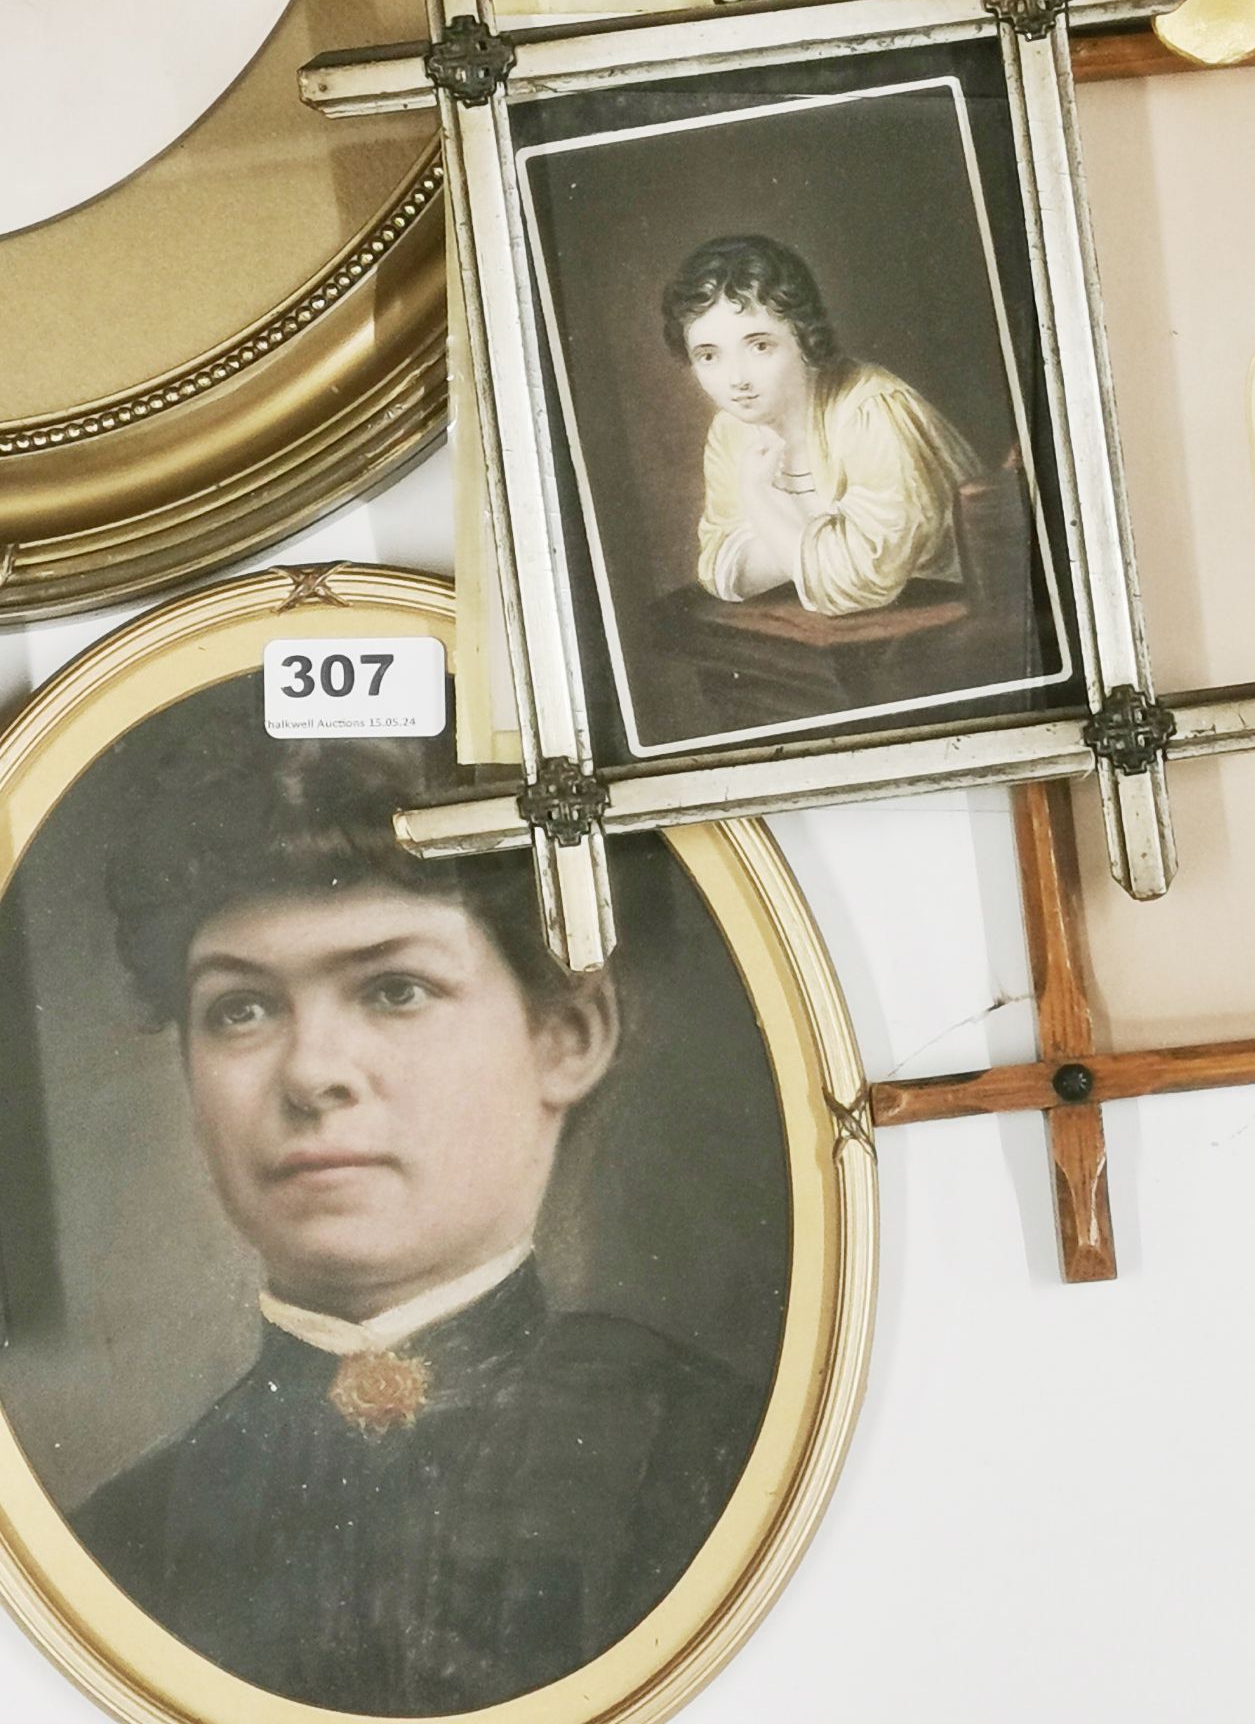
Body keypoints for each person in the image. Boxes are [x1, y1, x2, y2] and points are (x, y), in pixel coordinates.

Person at [69, 717, 763, 1716]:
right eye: (241, 1010)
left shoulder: (707, 1462)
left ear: (567, 1033)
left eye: (395, 989)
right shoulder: (115, 1544)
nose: (313, 1074)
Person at [663, 233, 980, 617]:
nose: (737, 379)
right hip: (843, 629)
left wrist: (757, 499)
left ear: (803, 335)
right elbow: (721, 569)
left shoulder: (871, 411)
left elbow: (861, 580)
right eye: (709, 355)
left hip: (953, 616)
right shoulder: (731, 431)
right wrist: (819, 550)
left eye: (759, 345)